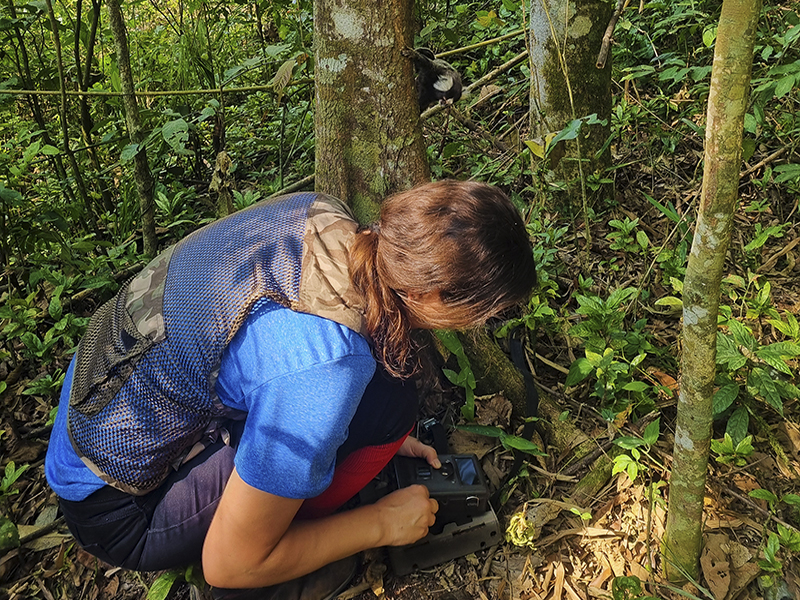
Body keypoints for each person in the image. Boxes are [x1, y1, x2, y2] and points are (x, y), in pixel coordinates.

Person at [45, 179, 537, 599]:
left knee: (391, 393)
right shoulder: (327, 367)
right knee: (377, 409)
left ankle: (284, 505)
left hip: (95, 404)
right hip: (116, 506)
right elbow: (227, 563)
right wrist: (381, 524)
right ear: (433, 295)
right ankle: (280, 563)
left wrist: (348, 430)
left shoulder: (325, 216)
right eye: (484, 313)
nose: (483, 324)